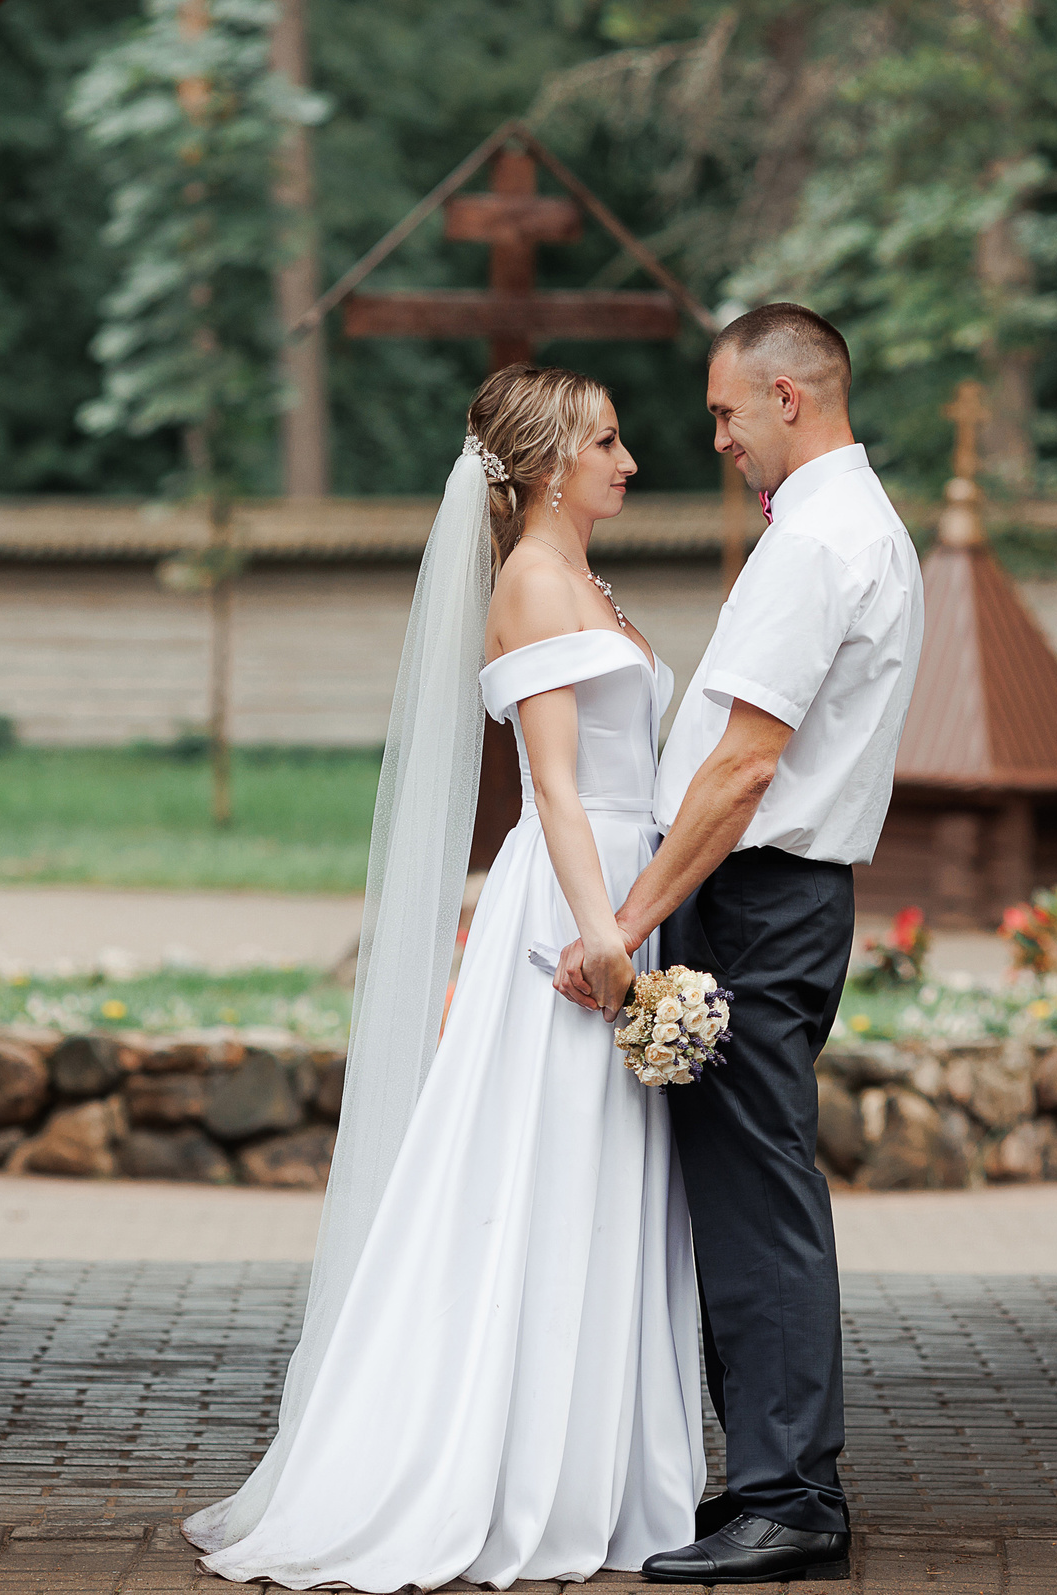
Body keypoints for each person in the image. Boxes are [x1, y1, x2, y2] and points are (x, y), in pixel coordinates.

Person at [185, 364, 706, 1590]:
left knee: (598, 1183)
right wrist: (607, 945)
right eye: (608, 443)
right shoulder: (532, 584)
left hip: (622, 892)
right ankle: (499, 1467)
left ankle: (600, 1468)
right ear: (542, 463)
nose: (629, 463)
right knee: (538, 1174)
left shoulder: (586, 578)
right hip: (572, 915)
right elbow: (558, 788)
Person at [554, 302, 923, 1584]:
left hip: (756, 900)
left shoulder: (820, 542)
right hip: (760, 897)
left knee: (758, 1190)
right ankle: (762, 1475)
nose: (713, 438)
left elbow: (742, 768)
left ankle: (789, 1494)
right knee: (736, 1184)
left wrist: (630, 920)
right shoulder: (834, 528)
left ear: (788, 399)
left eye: (722, 412)